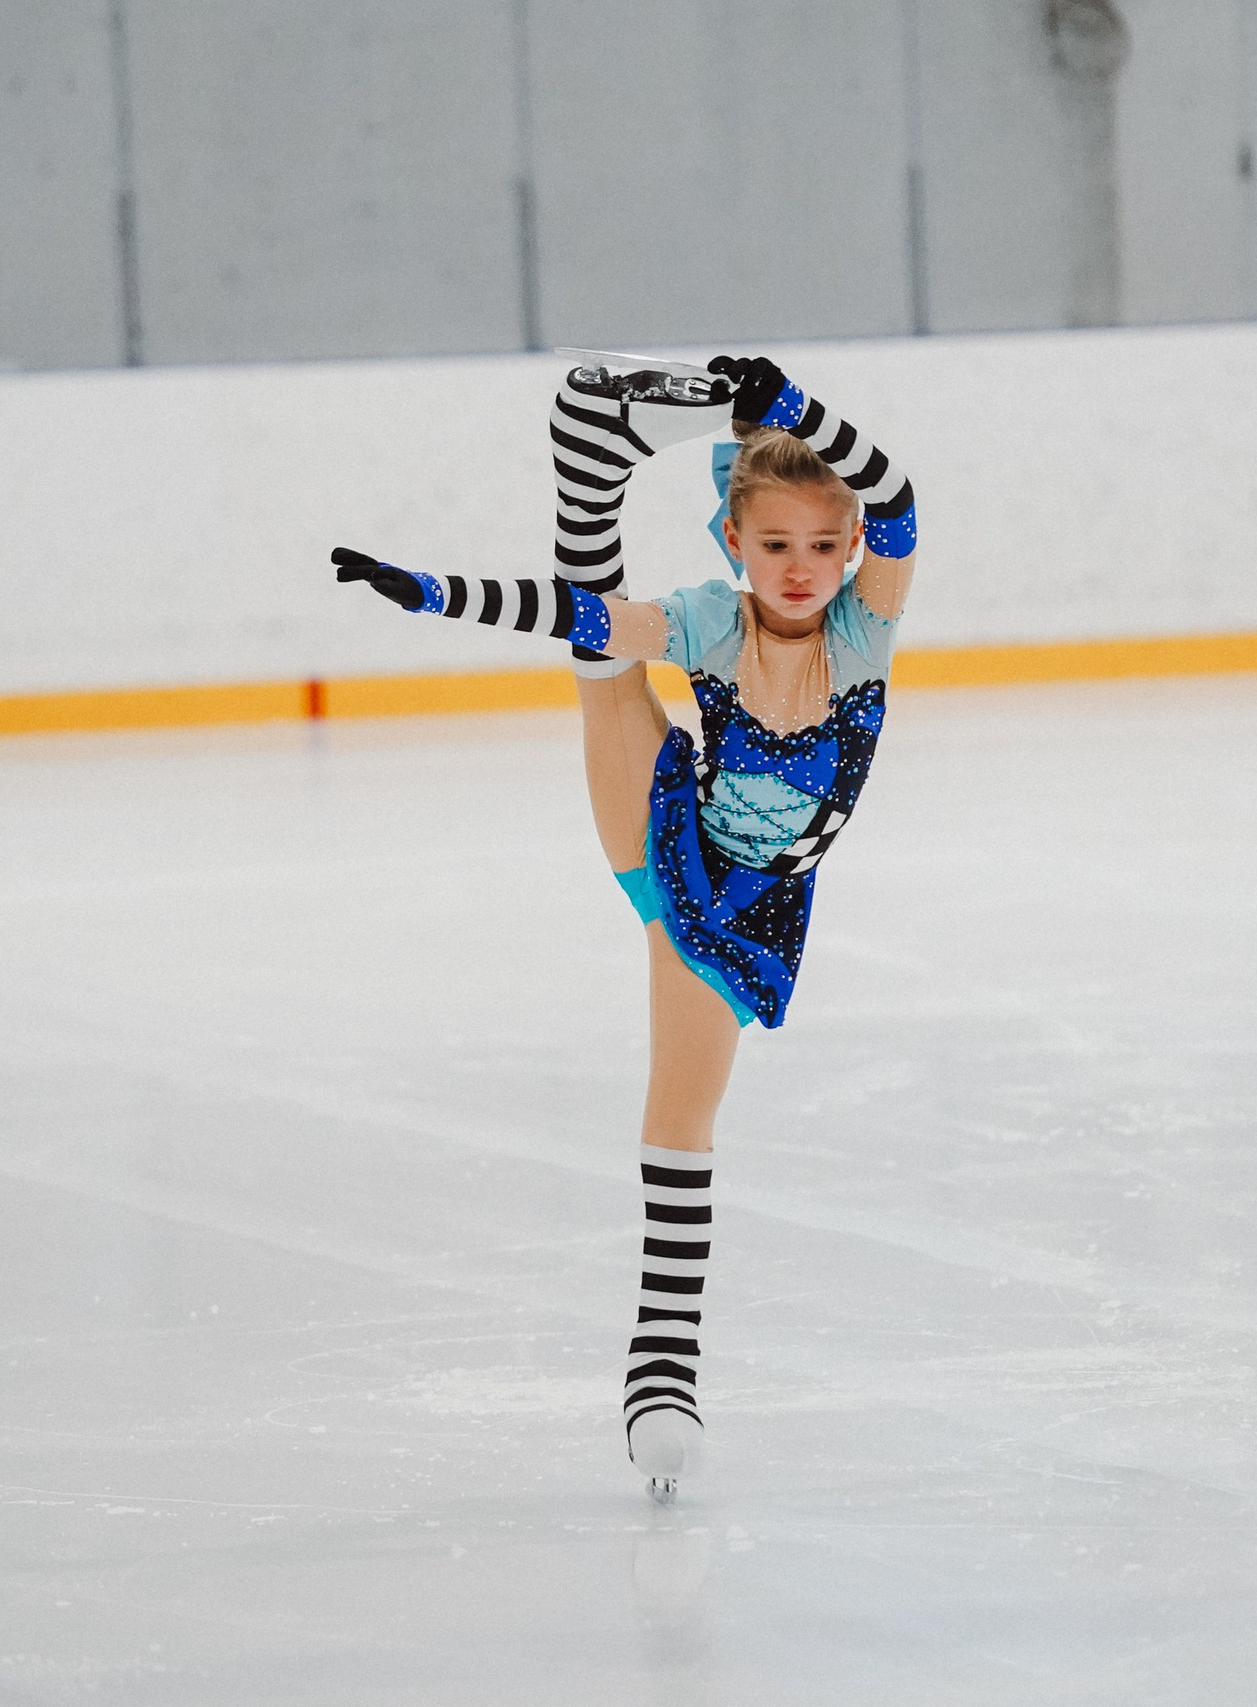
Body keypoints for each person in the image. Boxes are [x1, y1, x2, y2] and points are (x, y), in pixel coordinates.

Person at [332, 355, 916, 1501]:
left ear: (848, 554)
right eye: (773, 544)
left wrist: (790, 407)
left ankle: (589, 444)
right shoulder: (708, 620)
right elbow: (587, 613)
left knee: (686, 1109)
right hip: (661, 829)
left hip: (752, 906)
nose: (798, 569)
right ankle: (664, 1371)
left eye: (819, 545)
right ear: (733, 545)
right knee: (603, 666)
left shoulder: (861, 634)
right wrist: (434, 594)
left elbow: (897, 500)